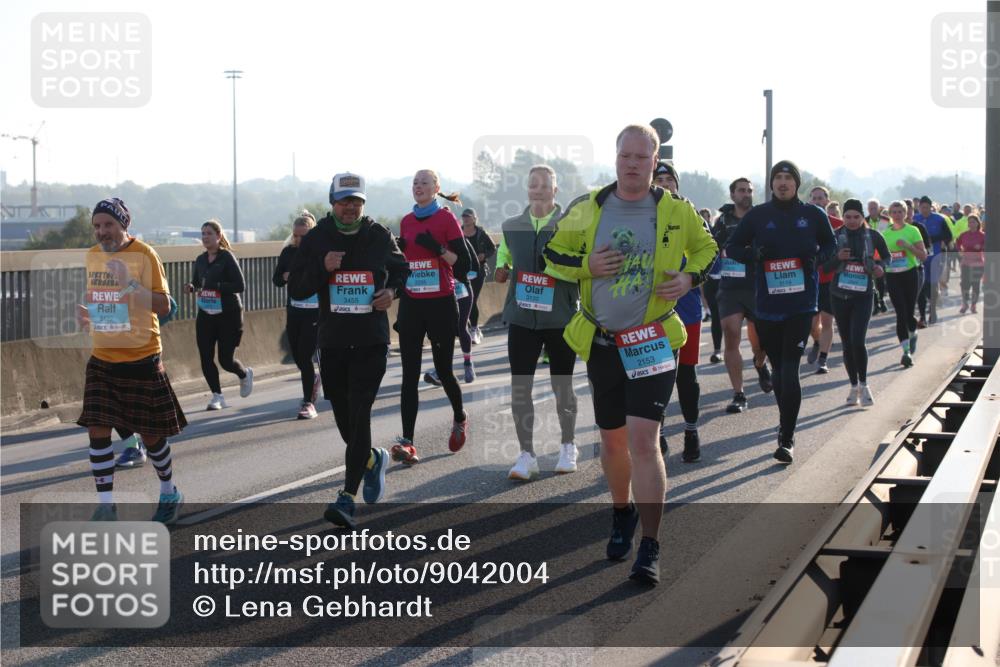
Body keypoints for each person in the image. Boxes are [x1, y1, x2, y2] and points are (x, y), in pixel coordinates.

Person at [544, 124, 718, 584]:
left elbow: (708, 250)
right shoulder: (589, 208)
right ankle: (622, 512)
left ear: (654, 161)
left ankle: (651, 545)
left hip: (654, 341)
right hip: (603, 343)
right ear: (616, 157)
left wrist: (689, 279)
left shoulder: (677, 211)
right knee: (613, 442)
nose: (633, 163)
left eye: (642, 157)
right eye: (626, 155)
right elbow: (551, 255)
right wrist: (586, 265)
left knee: (645, 440)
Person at [287, 173, 407, 527]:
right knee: (343, 417)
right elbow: (297, 285)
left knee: (359, 413)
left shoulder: (378, 235)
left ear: (363, 203)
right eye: (344, 201)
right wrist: (322, 268)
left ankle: (346, 498)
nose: (350, 207)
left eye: (356, 201)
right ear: (332, 203)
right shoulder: (318, 237)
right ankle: (371, 459)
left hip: (371, 339)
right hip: (334, 339)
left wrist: (392, 293)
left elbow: (402, 270)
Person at [76, 197, 186, 523]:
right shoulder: (92, 256)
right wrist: (88, 314)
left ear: (123, 224)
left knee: (151, 435)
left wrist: (130, 282)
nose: (102, 232)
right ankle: (106, 506)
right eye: (97, 226)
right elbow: (102, 299)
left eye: (108, 224)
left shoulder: (145, 254)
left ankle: (169, 492)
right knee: (97, 429)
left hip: (142, 356)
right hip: (103, 358)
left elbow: (164, 306)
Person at [725, 161, 836, 464]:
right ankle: (784, 425)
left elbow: (830, 244)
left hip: (802, 306)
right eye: (778, 178)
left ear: (797, 183)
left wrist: (818, 259)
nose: (783, 183)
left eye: (789, 178)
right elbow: (732, 247)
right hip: (768, 307)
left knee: (790, 371)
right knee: (778, 374)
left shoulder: (813, 214)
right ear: (771, 183)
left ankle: (786, 438)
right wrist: (753, 255)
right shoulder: (759, 216)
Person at [494, 164, 580, 480]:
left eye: (545, 185)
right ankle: (526, 454)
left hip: (559, 317)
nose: (539, 189)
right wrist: (501, 270)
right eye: (533, 184)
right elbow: (504, 257)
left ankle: (568, 445)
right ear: (527, 189)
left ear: (555, 191)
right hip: (521, 317)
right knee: (520, 388)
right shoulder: (512, 225)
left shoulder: (570, 226)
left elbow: (582, 267)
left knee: (562, 386)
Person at [391, 169, 472, 464]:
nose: (418, 187)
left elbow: (464, 266)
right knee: (409, 375)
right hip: (413, 303)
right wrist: (399, 253)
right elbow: (404, 264)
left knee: (444, 370)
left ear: (436, 188)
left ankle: (460, 416)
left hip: (440, 302)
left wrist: (437, 249)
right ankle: (408, 441)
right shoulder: (407, 221)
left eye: (424, 182)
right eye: (414, 183)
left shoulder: (447, 219)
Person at [652, 162, 715, 462]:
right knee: (653, 375)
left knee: (685, 376)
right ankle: (658, 435)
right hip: (650, 311)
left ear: (677, 185)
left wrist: (688, 275)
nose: (664, 184)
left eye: (669, 180)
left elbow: (707, 252)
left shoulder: (688, 214)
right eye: (658, 179)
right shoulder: (639, 212)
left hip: (685, 309)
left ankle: (691, 431)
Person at [712, 177, 772, 413]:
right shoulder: (723, 221)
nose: (746, 194)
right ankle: (739, 393)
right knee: (731, 333)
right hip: (730, 288)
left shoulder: (761, 218)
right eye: (741, 190)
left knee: (763, 341)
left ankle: (760, 363)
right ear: (732, 194)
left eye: (749, 190)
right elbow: (711, 247)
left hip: (758, 286)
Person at [824, 199, 890, 406]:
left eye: (856, 217)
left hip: (863, 295)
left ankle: (864, 383)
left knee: (857, 340)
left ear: (863, 217)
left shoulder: (873, 236)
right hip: (839, 294)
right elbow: (823, 266)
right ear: (842, 217)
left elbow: (886, 258)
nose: (852, 221)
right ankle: (853, 386)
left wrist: (880, 268)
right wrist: (837, 258)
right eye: (848, 217)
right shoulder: (834, 237)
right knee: (846, 343)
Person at [185, 219, 253, 410]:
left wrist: (216, 286)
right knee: (205, 357)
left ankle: (244, 374)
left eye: (209, 234)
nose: (205, 237)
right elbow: (198, 282)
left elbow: (240, 286)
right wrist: (191, 287)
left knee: (225, 360)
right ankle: (217, 396)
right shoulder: (200, 260)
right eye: (203, 234)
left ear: (219, 236)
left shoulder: (227, 258)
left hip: (229, 314)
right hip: (206, 313)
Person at [273, 210, 321, 419]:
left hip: (315, 312)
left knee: (304, 355)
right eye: (296, 235)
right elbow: (276, 279)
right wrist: (285, 276)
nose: (299, 239)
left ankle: (308, 402)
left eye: (304, 235)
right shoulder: (288, 253)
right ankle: (313, 382)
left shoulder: (319, 253)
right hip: (294, 311)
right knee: (298, 356)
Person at [425, 234, 480, 384]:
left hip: (461, 288)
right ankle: (441, 370)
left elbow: (474, 266)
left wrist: (461, 276)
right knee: (442, 331)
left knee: (461, 326)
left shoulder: (462, 241)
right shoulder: (430, 242)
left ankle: (468, 364)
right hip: (440, 290)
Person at [882, 200, 928, 367]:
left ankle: (913, 333)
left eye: (900, 211)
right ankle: (906, 352)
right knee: (900, 313)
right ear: (889, 214)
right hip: (893, 276)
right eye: (893, 212)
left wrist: (908, 246)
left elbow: (923, 256)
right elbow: (880, 257)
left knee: (908, 312)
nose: (897, 215)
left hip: (910, 274)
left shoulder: (913, 230)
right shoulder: (885, 234)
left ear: (906, 213)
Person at [806, 186, 843, 374]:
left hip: (831, 279)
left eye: (821, 198)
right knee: (813, 324)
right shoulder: (804, 221)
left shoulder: (838, 224)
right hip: (810, 278)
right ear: (810, 201)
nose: (818, 201)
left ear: (827, 201)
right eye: (815, 198)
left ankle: (823, 358)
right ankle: (817, 341)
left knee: (827, 321)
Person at [913, 196, 952, 325]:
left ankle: (933, 310)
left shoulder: (939, 219)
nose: (924, 210)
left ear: (931, 207)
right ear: (919, 208)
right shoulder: (915, 219)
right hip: (921, 257)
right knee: (922, 286)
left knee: (933, 285)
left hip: (936, 257)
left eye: (927, 207)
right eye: (922, 207)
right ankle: (923, 315)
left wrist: (936, 240)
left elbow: (948, 236)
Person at [460, 208, 497, 344]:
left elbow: (493, 248)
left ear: (475, 218)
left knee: (472, 299)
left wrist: (484, 255)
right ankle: (469, 328)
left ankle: (474, 329)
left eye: (469, 216)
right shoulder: (458, 231)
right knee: (463, 300)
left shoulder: (481, 233)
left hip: (479, 270)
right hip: (462, 271)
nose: (466, 218)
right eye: (464, 216)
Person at [956, 215, 985, 314]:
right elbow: (957, 243)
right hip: (966, 263)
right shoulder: (964, 234)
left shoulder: (983, 235)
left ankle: (973, 305)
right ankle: (965, 304)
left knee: (975, 284)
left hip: (978, 263)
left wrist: (981, 246)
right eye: (969, 222)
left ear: (978, 223)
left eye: (973, 222)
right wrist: (960, 250)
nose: (971, 224)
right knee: (964, 284)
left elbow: (987, 247)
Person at [866, 198, 889, 313]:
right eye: (870, 208)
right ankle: (875, 303)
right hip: (869, 255)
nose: (872, 210)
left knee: (880, 279)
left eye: (875, 208)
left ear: (879, 209)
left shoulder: (887, 221)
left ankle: (882, 299)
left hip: (882, 254)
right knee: (872, 279)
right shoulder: (864, 221)